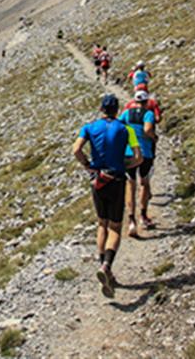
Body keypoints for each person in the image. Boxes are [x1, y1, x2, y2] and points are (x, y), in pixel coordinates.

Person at [73, 93, 142, 297]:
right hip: (117, 179)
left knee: (101, 223)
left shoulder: (89, 127)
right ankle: (107, 266)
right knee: (115, 226)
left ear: (102, 109)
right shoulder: (126, 128)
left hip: (98, 180)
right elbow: (138, 157)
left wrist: (87, 165)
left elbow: (76, 149)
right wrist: (124, 165)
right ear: (117, 109)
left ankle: (101, 261)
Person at [120, 90, 157, 236]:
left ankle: (131, 220)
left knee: (130, 183)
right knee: (144, 183)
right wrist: (153, 137)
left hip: (128, 152)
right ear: (147, 102)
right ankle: (143, 216)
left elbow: (119, 126)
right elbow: (148, 129)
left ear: (134, 101)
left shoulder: (127, 113)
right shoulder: (148, 114)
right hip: (145, 152)